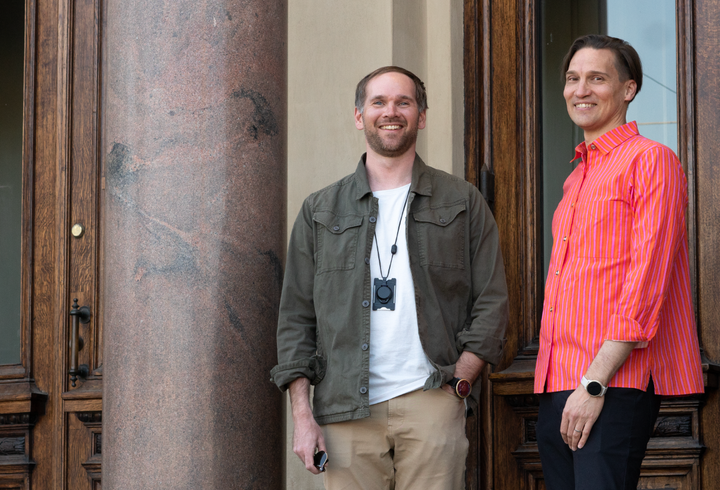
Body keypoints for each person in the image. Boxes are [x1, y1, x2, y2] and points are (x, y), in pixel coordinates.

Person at [270, 66, 508, 489]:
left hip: (432, 397)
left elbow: (492, 299)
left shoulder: (462, 201)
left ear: (422, 114)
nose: (391, 111)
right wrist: (303, 417)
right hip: (344, 408)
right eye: (378, 102)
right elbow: (296, 318)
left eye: (404, 101)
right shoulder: (320, 210)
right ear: (359, 115)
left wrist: (462, 377)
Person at [534, 34, 704, 490]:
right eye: (573, 78)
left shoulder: (652, 160)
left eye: (597, 78)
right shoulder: (576, 178)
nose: (580, 90)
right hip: (556, 378)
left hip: (611, 382)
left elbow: (647, 280)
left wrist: (594, 383)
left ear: (628, 90)